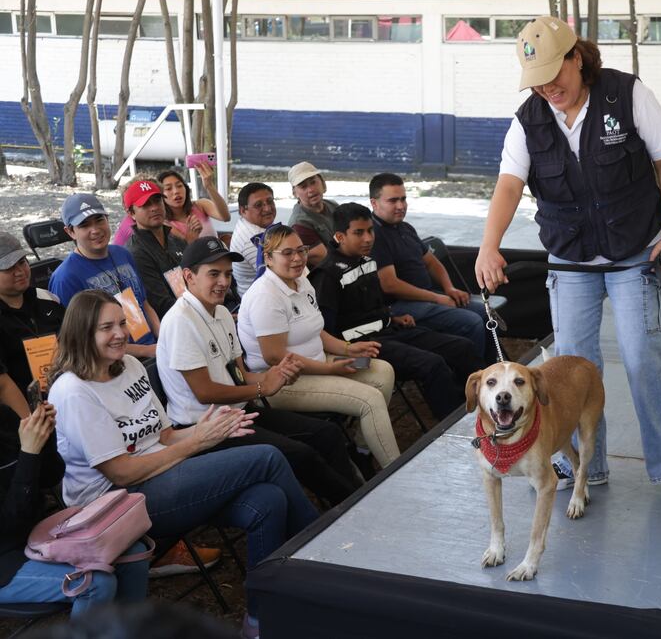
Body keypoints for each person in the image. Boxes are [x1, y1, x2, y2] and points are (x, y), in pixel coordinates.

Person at [473, 16, 661, 507]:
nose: (548, 88)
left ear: (577, 57)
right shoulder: (528, 118)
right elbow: (510, 183)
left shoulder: (626, 94)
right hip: (569, 259)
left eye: (556, 73)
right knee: (571, 368)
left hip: (634, 252)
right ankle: (582, 465)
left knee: (643, 358)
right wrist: (490, 245)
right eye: (537, 81)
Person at [47, 289, 319, 639]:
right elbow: (120, 472)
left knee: (268, 500)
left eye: (121, 323)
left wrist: (207, 430)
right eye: (105, 328)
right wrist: (197, 443)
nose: (119, 334)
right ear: (82, 333)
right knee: (267, 456)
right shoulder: (74, 391)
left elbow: (164, 436)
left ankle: (259, 619)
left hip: (161, 477)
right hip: (117, 502)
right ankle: (321, 562)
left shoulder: (128, 366)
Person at [156, 236, 362, 505]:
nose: (223, 282)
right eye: (214, 274)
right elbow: (204, 392)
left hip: (236, 414)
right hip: (205, 426)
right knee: (300, 453)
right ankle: (352, 505)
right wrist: (263, 387)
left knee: (327, 433)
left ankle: (356, 499)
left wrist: (274, 376)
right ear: (189, 276)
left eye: (228, 274)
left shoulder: (220, 314)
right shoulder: (181, 321)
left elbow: (238, 375)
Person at [237, 224, 400, 467]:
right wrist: (330, 369)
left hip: (321, 362)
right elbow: (274, 356)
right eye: (287, 253)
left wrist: (347, 349)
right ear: (269, 259)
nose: (297, 258)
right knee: (370, 399)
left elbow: (316, 330)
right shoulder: (266, 295)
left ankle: (362, 450)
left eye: (301, 250)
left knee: (383, 370)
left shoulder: (301, 281)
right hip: (284, 381)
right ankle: (395, 470)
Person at [309, 204, 485, 420]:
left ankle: (482, 406)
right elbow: (325, 332)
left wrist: (393, 318)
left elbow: (370, 308)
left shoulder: (366, 260)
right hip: (363, 349)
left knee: (462, 347)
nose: (368, 238)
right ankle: (455, 425)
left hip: (390, 331)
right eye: (358, 232)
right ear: (339, 236)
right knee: (433, 365)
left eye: (370, 230)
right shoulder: (326, 276)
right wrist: (350, 350)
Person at [0, 399, 150, 617]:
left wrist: (45, 436)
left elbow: (50, 477)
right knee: (94, 584)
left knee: (132, 551)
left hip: (36, 537)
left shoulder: (3, 416)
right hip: (6, 558)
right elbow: (9, 524)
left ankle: (125, 631)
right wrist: (29, 453)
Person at [369, 172, 490, 359]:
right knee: (472, 322)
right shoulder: (374, 235)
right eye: (393, 201)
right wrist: (436, 298)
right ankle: (473, 378)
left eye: (403, 199)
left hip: (426, 298)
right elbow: (390, 284)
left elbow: (432, 262)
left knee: (485, 311)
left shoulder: (405, 228)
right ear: (374, 203)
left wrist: (449, 288)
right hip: (400, 307)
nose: (400, 206)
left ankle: (495, 368)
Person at [49, 193, 158, 358]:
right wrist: (146, 351)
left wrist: (163, 339)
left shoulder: (123, 254)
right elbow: (81, 340)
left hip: (154, 349)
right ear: (70, 231)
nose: (95, 230)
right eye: (84, 225)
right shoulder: (65, 278)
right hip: (114, 362)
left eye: (99, 220)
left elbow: (144, 303)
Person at [0, 232, 64, 406]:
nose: (19, 271)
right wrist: (32, 423)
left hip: (69, 394)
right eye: (8, 268)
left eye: (21, 262)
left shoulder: (48, 299)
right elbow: (3, 384)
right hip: (27, 414)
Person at [112, 164, 230, 246]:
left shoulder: (200, 205)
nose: (176, 192)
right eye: (168, 188)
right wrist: (191, 237)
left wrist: (209, 186)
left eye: (179, 185)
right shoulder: (161, 224)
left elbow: (225, 217)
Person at [123, 179, 188, 319]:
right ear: (131, 213)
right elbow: (162, 305)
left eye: (157, 201)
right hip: (174, 322)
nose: (154, 208)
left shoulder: (174, 239)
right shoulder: (136, 253)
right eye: (145, 204)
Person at [229, 183, 278, 297]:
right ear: (243, 211)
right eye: (258, 205)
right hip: (261, 300)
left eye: (270, 201)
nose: (267, 208)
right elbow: (279, 277)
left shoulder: (254, 224)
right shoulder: (252, 239)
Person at [288, 161, 338, 267]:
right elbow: (328, 263)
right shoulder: (299, 225)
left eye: (313, 182)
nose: (311, 189)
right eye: (303, 186)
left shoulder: (333, 205)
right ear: (295, 193)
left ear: (323, 183)